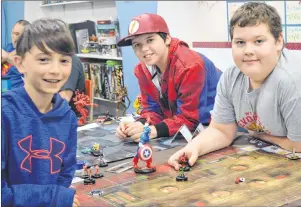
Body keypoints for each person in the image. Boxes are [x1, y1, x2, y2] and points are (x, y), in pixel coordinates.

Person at [168, 2, 301, 171]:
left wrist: (263, 136)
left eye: (258, 41)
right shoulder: (231, 77)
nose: (248, 50)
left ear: (279, 41)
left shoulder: (292, 81)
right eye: (240, 42)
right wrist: (193, 148)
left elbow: (298, 145)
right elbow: (221, 130)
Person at [1, 19, 80, 207]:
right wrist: (52, 197)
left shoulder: (67, 117)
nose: (55, 70)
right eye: (43, 59)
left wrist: (55, 197)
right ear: (20, 64)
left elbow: (65, 174)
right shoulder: (5, 114)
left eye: (64, 60)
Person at [116, 13, 221, 141]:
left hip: (218, 129)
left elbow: (191, 118)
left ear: (167, 39)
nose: (144, 49)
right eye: (137, 45)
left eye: (150, 40)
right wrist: (141, 124)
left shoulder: (189, 66)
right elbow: (152, 108)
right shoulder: (142, 70)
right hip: (182, 130)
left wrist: (153, 130)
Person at [2, 20, 30, 88]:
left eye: (17, 34)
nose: (13, 37)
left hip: (17, 93)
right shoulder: (9, 47)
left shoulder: (29, 51)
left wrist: (7, 57)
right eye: (12, 33)